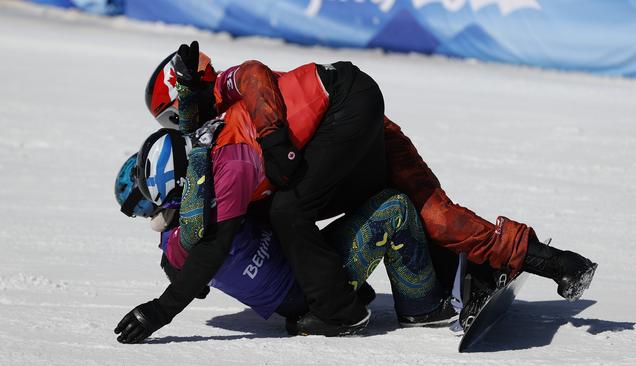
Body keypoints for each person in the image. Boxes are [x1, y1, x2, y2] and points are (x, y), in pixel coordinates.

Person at [115, 41, 596, 340]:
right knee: (433, 214)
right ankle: (557, 264)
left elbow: (256, 72)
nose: (177, 131)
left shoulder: (228, 106)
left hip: (347, 108)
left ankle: (340, 312)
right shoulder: (217, 142)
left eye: (171, 121)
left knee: (289, 207)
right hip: (353, 126)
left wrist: (274, 140)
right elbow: (214, 236)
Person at [113, 143, 456, 344]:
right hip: (310, 288)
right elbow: (197, 203)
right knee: (393, 207)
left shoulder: (176, 243)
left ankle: (364, 291)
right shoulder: (194, 225)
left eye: (142, 205)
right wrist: (200, 145)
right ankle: (422, 308)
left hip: (303, 272)